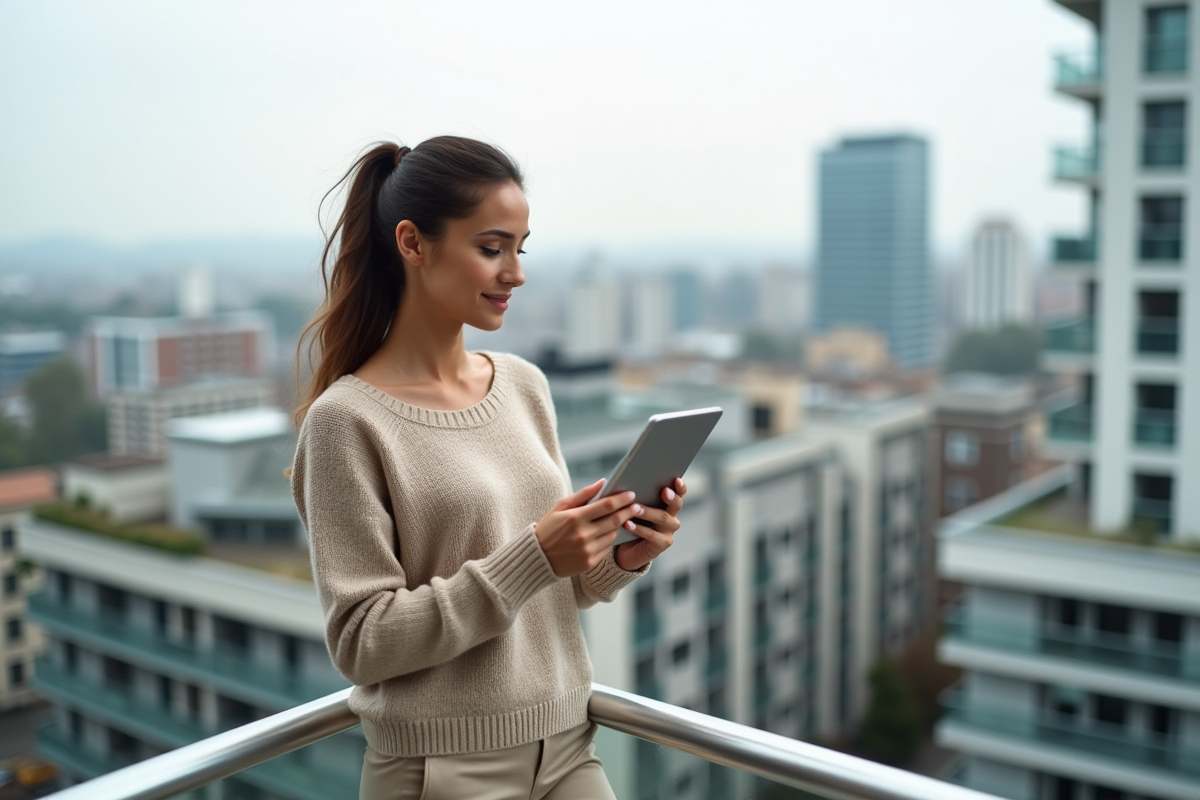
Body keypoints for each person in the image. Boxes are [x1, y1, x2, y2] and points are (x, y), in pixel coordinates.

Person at [288, 135, 686, 800]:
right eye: (491, 247)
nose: (516, 272)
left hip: (568, 747)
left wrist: (622, 553)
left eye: (520, 249)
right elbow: (361, 642)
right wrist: (533, 555)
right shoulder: (346, 422)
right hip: (441, 772)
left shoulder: (524, 386)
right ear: (413, 243)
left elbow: (559, 590)